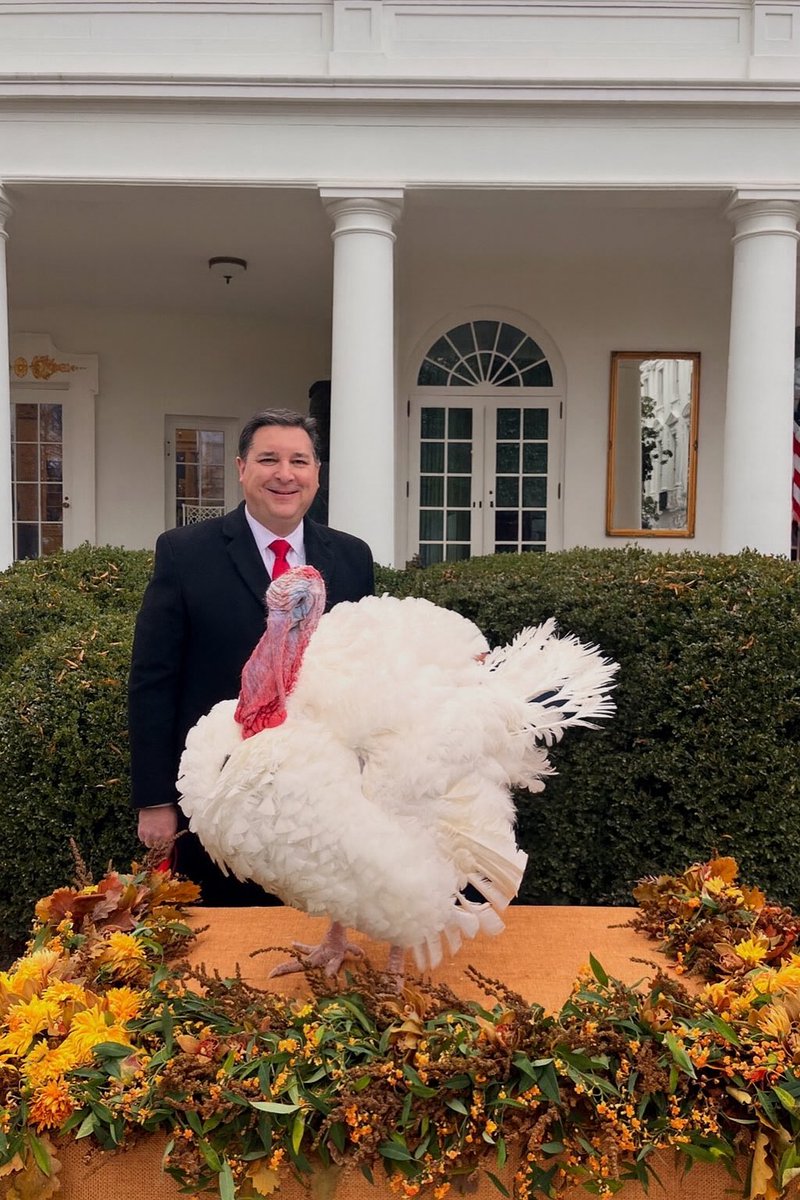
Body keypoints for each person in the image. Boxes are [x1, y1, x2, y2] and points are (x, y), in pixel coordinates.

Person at [128, 408, 375, 904]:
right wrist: (155, 799)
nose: (285, 474)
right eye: (269, 459)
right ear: (241, 468)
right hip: (216, 798)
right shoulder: (184, 553)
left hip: (324, 802)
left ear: (317, 474)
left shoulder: (352, 557)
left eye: (299, 461)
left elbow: (364, 670)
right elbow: (154, 679)